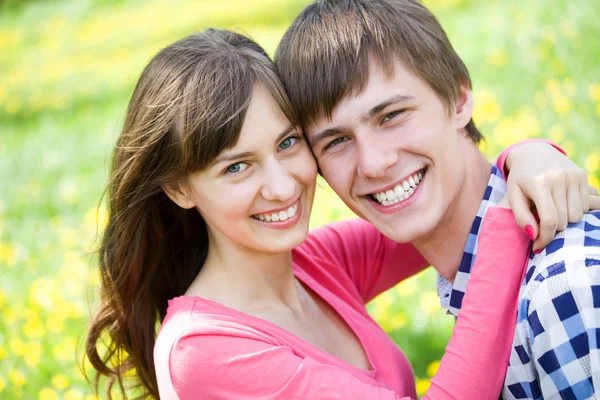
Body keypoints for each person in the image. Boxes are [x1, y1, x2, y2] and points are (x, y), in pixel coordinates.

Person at [84, 28, 597, 400]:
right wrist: (514, 215)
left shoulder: (313, 265)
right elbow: (484, 226)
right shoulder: (207, 353)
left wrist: (527, 157)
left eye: (288, 143)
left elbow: (437, 208)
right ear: (178, 187)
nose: (283, 185)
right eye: (237, 166)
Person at [274, 0, 600, 398]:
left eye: (391, 115)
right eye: (338, 141)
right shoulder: (462, 262)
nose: (374, 164)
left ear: (459, 99)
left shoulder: (564, 288)